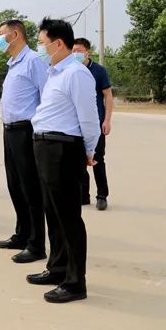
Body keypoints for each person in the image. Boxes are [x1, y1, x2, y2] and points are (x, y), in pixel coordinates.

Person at [27, 17, 100, 303]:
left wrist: (90, 150)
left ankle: (75, 282)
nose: (39, 48)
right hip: (46, 146)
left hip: (63, 148)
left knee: (68, 216)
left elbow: (89, 118)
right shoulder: (55, 73)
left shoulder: (76, 74)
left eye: (42, 43)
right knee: (53, 212)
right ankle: (57, 268)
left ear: (58, 44)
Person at [0, 19, 49, 264]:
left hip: (27, 130)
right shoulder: (13, 63)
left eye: (2, 34)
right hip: (10, 131)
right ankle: (22, 234)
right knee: (15, 185)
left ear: (15, 34)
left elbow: (46, 97)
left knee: (31, 188)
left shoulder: (34, 61)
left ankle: (37, 244)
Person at [73, 38, 113, 211]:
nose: (75, 54)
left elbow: (108, 95)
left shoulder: (98, 71)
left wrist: (107, 120)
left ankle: (102, 195)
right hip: (77, 124)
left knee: (97, 159)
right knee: (79, 160)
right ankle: (84, 195)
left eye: (79, 51)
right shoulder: (71, 70)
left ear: (87, 52)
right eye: (73, 50)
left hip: (96, 123)